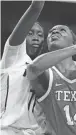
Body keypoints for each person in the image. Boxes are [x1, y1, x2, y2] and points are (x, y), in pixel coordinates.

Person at [0, 1, 54, 135]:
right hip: (8, 130)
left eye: (40, 35)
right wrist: (37, 5)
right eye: (30, 33)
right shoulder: (13, 56)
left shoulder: (47, 68)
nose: (36, 38)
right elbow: (35, 8)